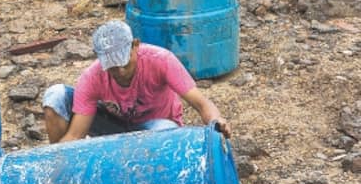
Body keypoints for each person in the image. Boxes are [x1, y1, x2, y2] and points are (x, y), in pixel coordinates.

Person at [42, 20, 231, 144]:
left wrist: (216, 122)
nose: (120, 71)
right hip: (114, 131)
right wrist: (54, 163)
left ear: (135, 45)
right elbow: (75, 135)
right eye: (113, 67)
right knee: (55, 96)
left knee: (165, 132)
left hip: (156, 129)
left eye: (124, 62)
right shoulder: (92, 76)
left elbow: (201, 103)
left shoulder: (161, 60)